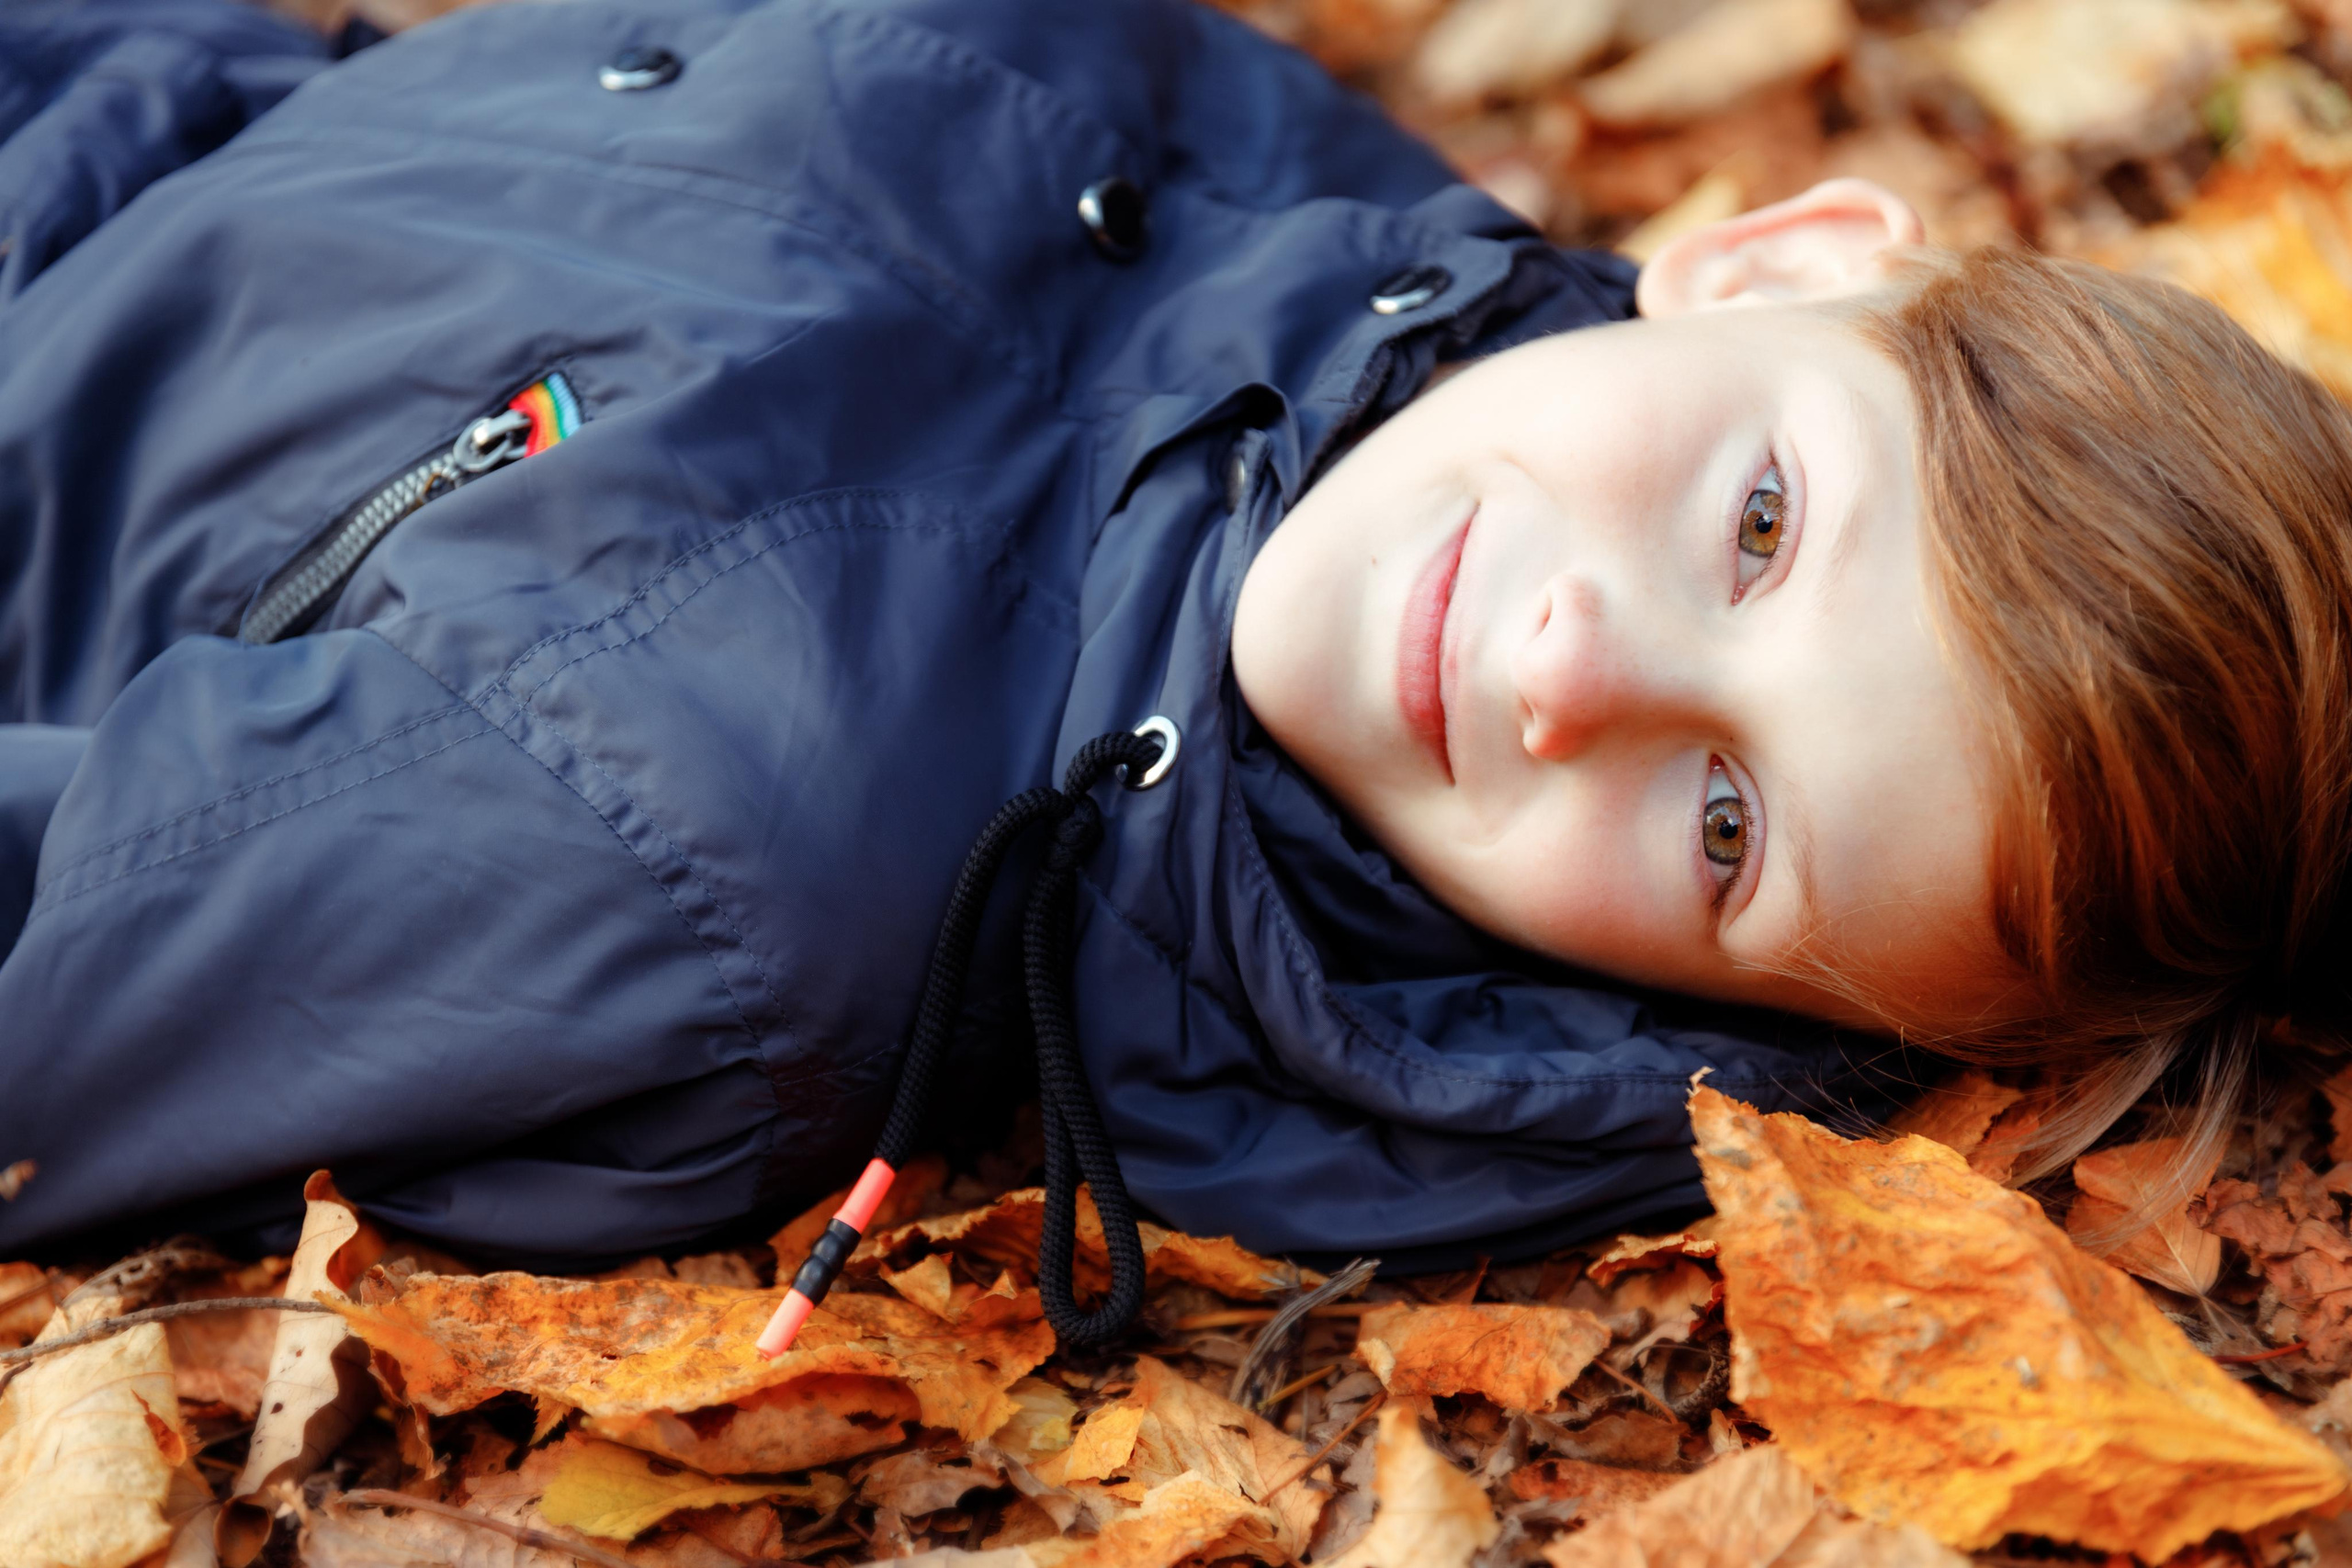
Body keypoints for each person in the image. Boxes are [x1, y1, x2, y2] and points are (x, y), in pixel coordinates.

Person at [1, 0, 2344, 1322]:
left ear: (1737, 1029)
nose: (1563, 668)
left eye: (1720, 825)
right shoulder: (1327, 229)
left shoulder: (733, 881)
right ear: (1768, 264)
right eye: (1757, 520)